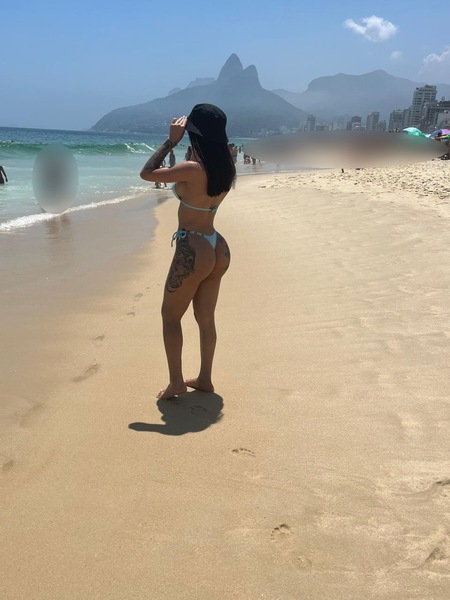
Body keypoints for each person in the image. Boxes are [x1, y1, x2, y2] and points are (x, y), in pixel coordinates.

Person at [140, 104, 236, 400]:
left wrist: (171, 141)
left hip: (193, 248)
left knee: (170, 317)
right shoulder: (226, 167)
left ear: (195, 135)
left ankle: (176, 383)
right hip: (217, 246)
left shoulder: (193, 170)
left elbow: (147, 173)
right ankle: (205, 378)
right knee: (206, 318)